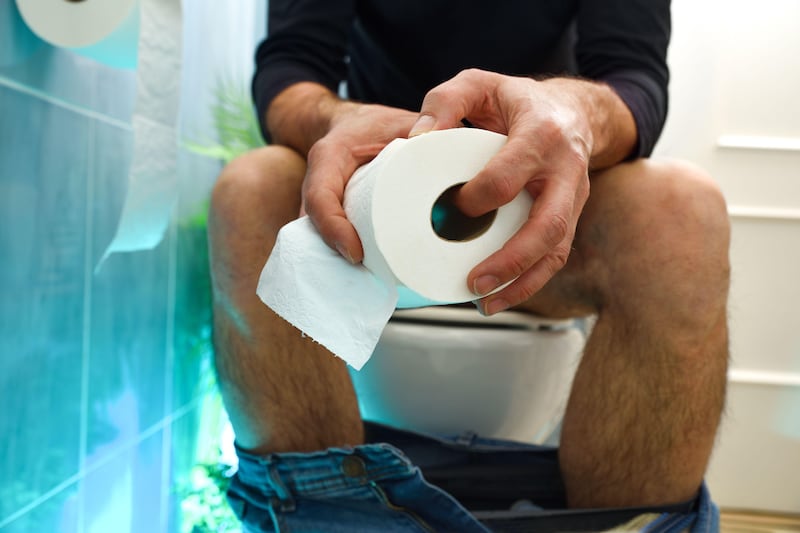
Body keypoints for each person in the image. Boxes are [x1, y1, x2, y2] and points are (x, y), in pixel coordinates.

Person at [208, 0, 730, 530]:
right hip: (370, 209)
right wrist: (340, 118)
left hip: (534, 206)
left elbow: (634, 76)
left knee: (680, 208)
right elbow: (292, 64)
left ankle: (628, 521)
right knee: (253, 189)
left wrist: (569, 110)